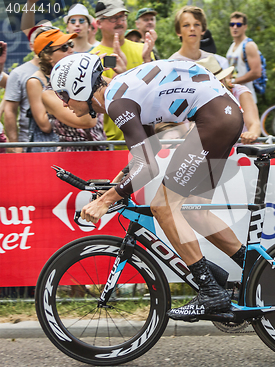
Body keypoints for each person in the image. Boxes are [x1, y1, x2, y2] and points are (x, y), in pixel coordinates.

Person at [50, 54, 246, 320]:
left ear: (80, 86)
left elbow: (149, 166)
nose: (62, 103)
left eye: (64, 95)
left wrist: (104, 201)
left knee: (163, 207)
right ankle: (258, 272)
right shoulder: (121, 92)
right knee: (193, 211)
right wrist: (117, 182)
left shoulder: (118, 103)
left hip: (214, 119)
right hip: (223, 115)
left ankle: (211, 291)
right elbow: (149, 148)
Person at [29, 28, 107, 152]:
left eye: (70, 44)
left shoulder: (86, 79)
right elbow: (88, 121)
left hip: (102, 152)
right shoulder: (49, 93)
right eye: (64, 47)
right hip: (74, 156)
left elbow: (116, 96)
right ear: (48, 57)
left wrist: (97, 73)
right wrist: (85, 75)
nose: (71, 49)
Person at [91, 0, 155, 143]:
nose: (119, 22)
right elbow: (99, 103)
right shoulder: (93, 58)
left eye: (122, 17)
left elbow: (155, 93)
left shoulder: (142, 49)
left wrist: (147, 61)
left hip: (149, 138)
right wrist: (119, 75)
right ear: (99, 23)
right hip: (113, 143)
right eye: (113, 18)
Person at [197, 55, 261, 144]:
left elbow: (254, 123)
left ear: (222, 79)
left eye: (219, 81)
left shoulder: (240, 93)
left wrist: (251, 134)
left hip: (244, 149)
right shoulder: (199, 99)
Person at [3, 27, 42, 152]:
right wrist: (14, 145)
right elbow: (10, 110)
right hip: (29, 144)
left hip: (61, 143)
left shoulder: (62, 68)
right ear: (32, 46)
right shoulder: (18, 73)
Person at [226, 11, 262, 103]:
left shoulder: (249, 45)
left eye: (238, 24)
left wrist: (232, 81)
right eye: (232, 24)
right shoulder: (232, 45)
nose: (235, 27)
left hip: (246, 98)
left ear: (245, 27)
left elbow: (256, 73)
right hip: (233, 97)